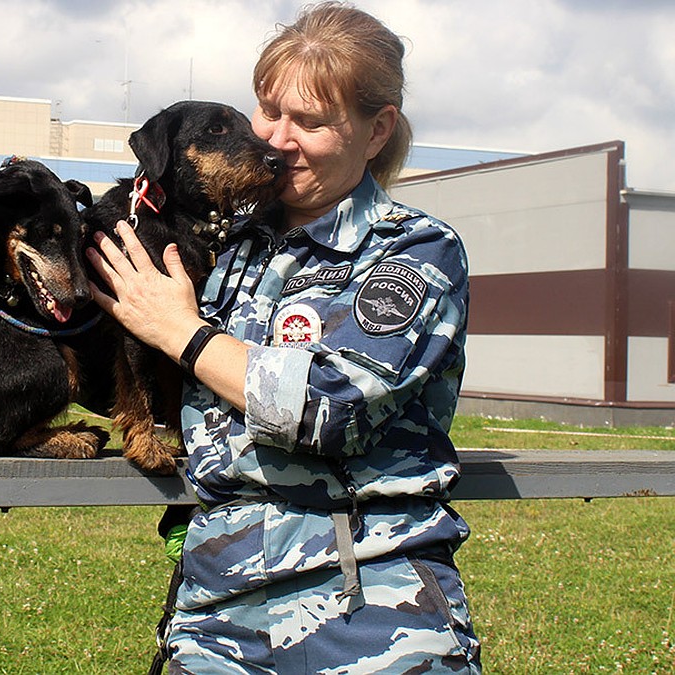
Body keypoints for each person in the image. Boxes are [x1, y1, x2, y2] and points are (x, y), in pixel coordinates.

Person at [86, 2, 482, 673]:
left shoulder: (412, 252)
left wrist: (184, 331)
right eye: (268, 111)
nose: (276, 140)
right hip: (215, 616)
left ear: (376, 129)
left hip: (368, 610)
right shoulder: (226, 246)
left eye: (311, 121)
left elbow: (332, 406)